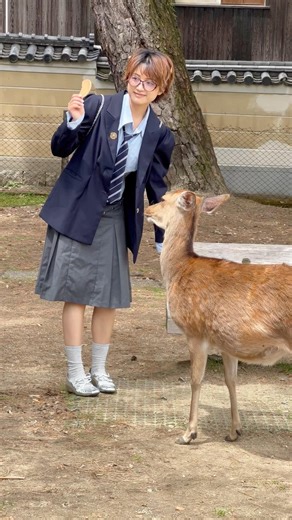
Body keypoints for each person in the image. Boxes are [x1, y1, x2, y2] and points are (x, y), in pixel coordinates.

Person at [35, 48, 175, 397]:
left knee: (108, 298)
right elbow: (59, 147)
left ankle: (99, 369)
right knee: (76, 295)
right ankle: (75, 372)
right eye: (135, 78)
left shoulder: (159, 133)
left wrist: (162, 236)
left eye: (149, 82)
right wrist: (72, 120)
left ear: (161, 89)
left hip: (114, 217)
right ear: (127, 78)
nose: (140, 86)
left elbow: (158, 188)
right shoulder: (97, 107)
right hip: (78, 213)